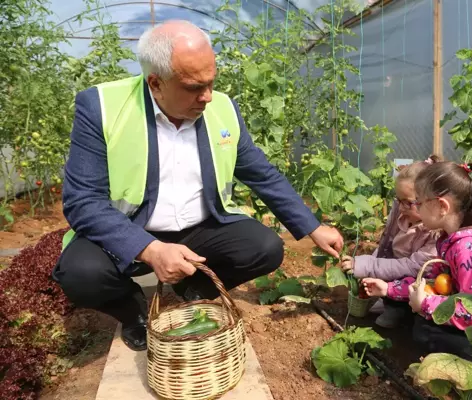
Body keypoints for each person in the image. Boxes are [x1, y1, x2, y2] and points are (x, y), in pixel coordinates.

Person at [51, 20, 343, 352]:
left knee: (264, 247)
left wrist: (313, 226)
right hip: (130, 229)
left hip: (198, 231)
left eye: (211, 83)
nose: (207, 96)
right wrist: (150, 249)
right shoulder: (101, 107)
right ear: (156, 83)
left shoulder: (221, 108)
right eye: (193, 87)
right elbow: (82, 201)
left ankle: (195, 291)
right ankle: (133, 310)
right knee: (80, 274)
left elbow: (260, 172)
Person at [362, 161, 472, 399]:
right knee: (426, 323)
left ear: (441, 206)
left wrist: (425, 304)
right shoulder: (461, 237)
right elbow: (432, 280)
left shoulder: (468, 249)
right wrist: (388, 289)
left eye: (419, 202)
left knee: (427, 330)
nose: (415, 208)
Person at [340, 156, 441, 328]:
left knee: (401, 279)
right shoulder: (402, 216)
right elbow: (385, 246)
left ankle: (399, 310)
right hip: (397, 273)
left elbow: (412, 267)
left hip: (422, 281)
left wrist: (368, 265)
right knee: (374, 267)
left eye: (409, 203)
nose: (401, 208)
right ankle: (389, 301)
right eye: (399, 201)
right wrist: (368, 265)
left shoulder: (436, 234)